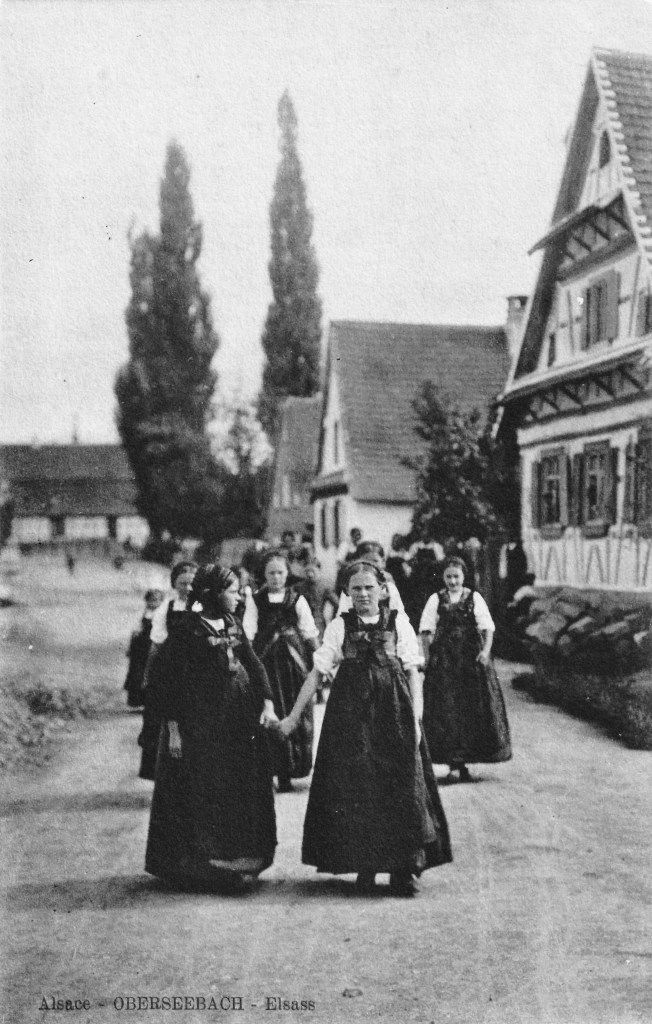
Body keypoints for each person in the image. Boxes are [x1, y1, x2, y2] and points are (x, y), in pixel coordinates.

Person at [276, 560, 452, 896]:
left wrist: (416, 720)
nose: (363, 594)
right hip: (350, 717)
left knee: (401, 786)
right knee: (358, 787)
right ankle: (365, 865)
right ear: (347, 592)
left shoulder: (398, 622)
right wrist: (293, 717)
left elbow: (413, 672)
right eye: (355, 589)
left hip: (394, 713)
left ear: (383, 590)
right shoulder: (339, 627)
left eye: (369, 588)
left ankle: (404, 869)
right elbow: (316, 673)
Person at [144, 564, 278, 891]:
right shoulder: (186, 631)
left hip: (237, 720)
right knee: (205, 788)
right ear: (214, 593)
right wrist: (174, 730)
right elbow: (168, 683)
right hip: (200, 724)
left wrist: (268, 702)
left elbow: (253, 663)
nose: (239, 596)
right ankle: (206, 865)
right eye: (232, 591)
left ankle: (240, 857)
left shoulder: (233, 623)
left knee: (238, 785)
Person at [419, 556, 512, 784]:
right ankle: (453, 763)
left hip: (470, 661)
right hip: (445, 661)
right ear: (443, 577)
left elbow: (487, 628)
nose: (452, 581)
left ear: (464, 576)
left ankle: (465, 761)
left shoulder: (474, 598)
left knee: (471, 708)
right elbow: (425, 630)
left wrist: (485, 651)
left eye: (456, 576)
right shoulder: (436, 599)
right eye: (448, 577)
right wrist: (429, 657)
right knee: (447, 709)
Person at [243, 550, 319, 792]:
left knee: (295, 711)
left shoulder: (297, 600)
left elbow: (309, 632)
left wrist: (319, 661)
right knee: (267, 712)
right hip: (265, 663)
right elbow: (248, 633)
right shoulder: (255, 601)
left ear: (287, 574)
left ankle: (290, 770)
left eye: (280, 572)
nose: (276, 577)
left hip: (292, 665)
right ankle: (270, 771)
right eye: (271, 573)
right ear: (264, 575)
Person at [138, 561, 198, 781]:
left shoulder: (203, 607)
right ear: (174, 584)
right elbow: (156, 644)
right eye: (182, 583)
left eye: (192, 583)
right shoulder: (167, 608)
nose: (188, 588)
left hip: (197, 668)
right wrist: (148, 675)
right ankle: (163, 776)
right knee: (162, 718)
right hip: (170, 668)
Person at [336, 541, 405, 614]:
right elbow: (343, 612)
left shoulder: (389, 584)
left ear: (383, 562)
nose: (371, 565)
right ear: (358, 562)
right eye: (366, 561)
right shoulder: (352, 584)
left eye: (375, 561)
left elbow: (398, 611)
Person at [123, 588, 164, 709]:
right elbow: (136, 630)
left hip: (154, 643)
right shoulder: (144, 613)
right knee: (137, 672)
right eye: (151, 600)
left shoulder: (162, 614)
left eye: (157, 600)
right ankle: (138, 700)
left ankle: (153, 701)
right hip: (141, 647)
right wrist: (131, 646)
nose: (154, 603)